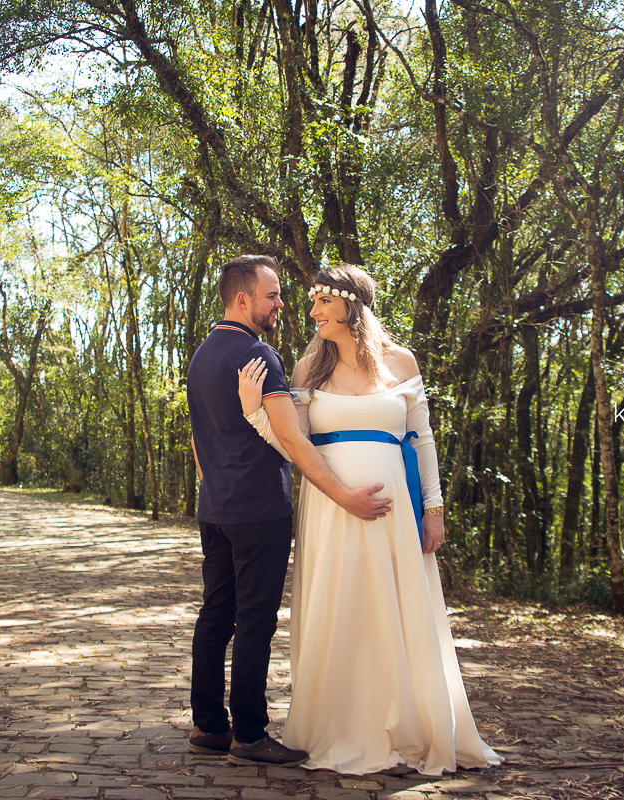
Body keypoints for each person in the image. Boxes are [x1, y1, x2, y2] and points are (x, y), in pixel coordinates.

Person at [237, 264, 504, 776]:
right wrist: (254, 413)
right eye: (311, 302)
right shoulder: (306, 369)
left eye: (322, 302)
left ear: (351, 305)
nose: (312, 312)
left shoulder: (401, 362)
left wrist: (433, 509)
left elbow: (422, 441)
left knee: (396, 612)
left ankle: (405, 728)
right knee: (343, 609)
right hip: (330, 513)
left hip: (394, 515)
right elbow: (293, 445)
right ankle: (339, 726)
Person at [186, 255, 392, 767]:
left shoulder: (201, 356)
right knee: (254, 622)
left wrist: (215, 484)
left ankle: (210, 727)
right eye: (272, 294)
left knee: (215, 615)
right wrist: (343, 496)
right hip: (258, 512)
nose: (281, 303)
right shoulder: (260, 357)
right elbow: (293, 440)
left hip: (215, 510)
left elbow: (198, 438)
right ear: (243, 300)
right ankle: (250, 735)